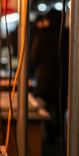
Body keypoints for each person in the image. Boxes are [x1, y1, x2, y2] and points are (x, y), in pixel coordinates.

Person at [29, 9, 68, 144]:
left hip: (45, 76)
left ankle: (50, 132)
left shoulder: (43, 33)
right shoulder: (67, 34)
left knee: (45, 107)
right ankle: (58, 131)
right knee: (60, 108)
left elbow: (34, 56)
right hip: (63, 77)